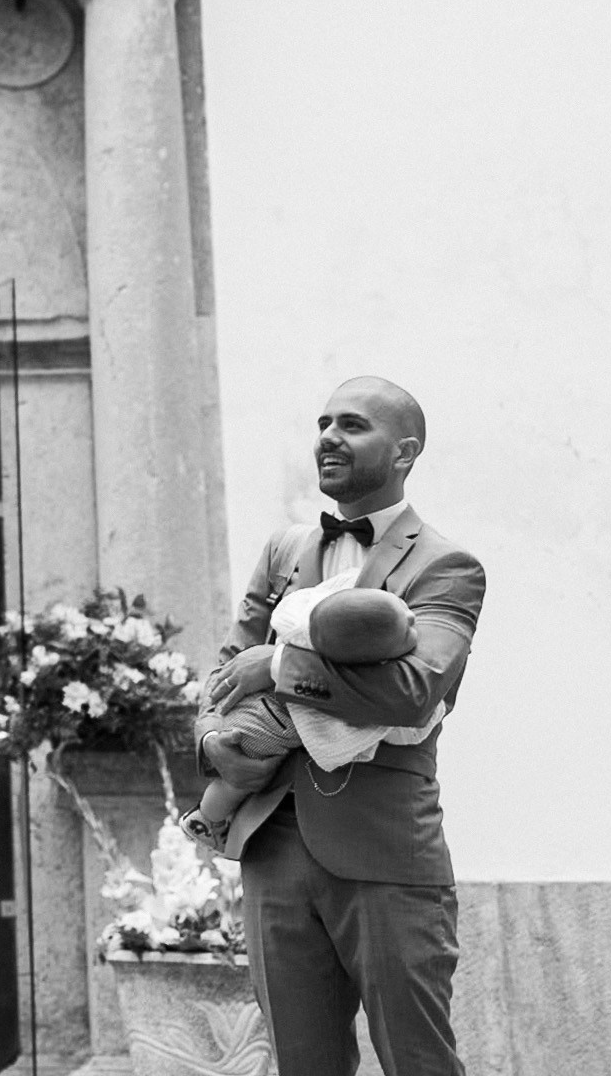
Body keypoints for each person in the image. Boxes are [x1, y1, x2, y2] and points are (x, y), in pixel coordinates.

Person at [195, 376, 486, 1076]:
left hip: (384, 851)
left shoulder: (447, 566)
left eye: (353, 425)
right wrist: (210, 743)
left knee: (419, 1061)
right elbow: (223, 672)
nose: (328, 436)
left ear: (405, 449)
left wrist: (283, 669)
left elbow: (414, 692)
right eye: (324, 422)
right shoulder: (283, 550)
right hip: (272, 843)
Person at [180, 575, 443, 852]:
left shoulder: (303, 622)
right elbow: (360, 739)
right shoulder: (341, 690)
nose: (412, 619)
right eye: (404, 633)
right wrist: (209, 737)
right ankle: (206, 818)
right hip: (263, 729)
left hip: (250, 706)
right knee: (236, 783)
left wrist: (277, 662)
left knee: (238, 780)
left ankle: (208, 816)